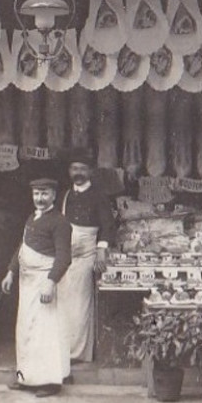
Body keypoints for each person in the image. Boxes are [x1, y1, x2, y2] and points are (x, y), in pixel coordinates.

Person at [1, 178, 72, 397]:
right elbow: (22, 247)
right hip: (27, 282)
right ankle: (27, 377)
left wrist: (50, 282)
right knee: (26, 329)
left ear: (53, 195)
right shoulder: (31, 218)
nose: (39, 199)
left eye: (44, 194)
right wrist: (11, 272)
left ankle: (50, 382)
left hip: (44, 282)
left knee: (45, 332)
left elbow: (64, 257)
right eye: (36, 194)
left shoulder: (60, 222)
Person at [58, 151, 116, 364]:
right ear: (69, 171)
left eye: (82, 169)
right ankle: (63, 347)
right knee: (62, 302)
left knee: (81, 304)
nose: (78, 173)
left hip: (86, 256)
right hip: (65, 257)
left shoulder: (99, 196)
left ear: (90, 171)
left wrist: (101, 249)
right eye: (74, 169)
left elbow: (108, 225)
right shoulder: (64, 196)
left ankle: (79, 353)